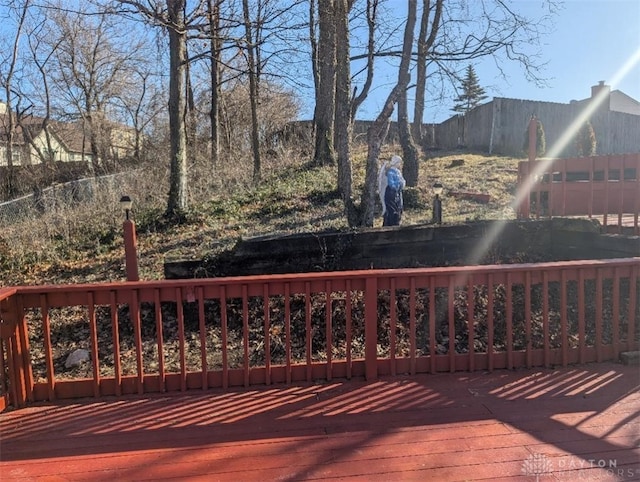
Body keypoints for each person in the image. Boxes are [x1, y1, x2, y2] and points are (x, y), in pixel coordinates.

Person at [378, 155, 406, 226]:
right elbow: (391, 183)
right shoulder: (390, 171)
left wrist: (401, 184)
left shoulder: (398, 172)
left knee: (398, 208)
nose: (400, 164)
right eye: (399, 162)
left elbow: (402, 181)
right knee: (391, 209)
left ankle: (396, 221)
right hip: (391, 192)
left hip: (397, 192)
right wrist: (397, 185)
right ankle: (390, 223)